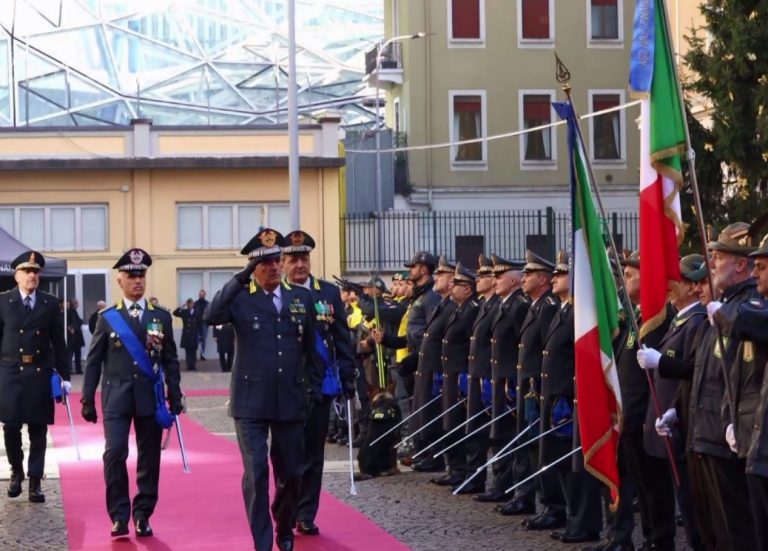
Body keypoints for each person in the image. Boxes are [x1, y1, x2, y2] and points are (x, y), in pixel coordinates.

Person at [204, 228, 323, 551]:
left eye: (276, 261)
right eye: (264, 263)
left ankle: (284, 525)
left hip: (290, 398)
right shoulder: (241, 298)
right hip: (250, 401)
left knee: (291, 475)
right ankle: (263, 543)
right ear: (254, 269)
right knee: (256, 472)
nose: (273, 267)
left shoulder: (302, 298)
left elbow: (313, 349)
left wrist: (316, 389)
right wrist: (239, 278)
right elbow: (210, 315)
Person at [81, 248, 182, 538]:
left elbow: (171, 359)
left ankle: (142, 514)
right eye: (131, 276)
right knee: (114, 454)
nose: (138, 281)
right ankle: (119, 515)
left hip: (149, 397)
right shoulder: (108, 318)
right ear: (120, 280)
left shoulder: (160, 316)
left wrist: (174, 392)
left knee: (149, 459)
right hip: (116, 397)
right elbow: (93, 360)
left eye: (141, 275)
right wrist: (88, 397)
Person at [280, 230, 356, 536]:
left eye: (304, 258)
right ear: (283, 262)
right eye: (294, 259)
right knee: (287, 455)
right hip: (285, 387)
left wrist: (348, 376)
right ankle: (287, 507)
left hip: (318, 386)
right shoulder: (278, 294)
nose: (300, 264)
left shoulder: (327, 293)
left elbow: (342, 338)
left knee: (313, 454)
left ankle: (306, 513)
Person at [687, 223, 758, 549]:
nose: (711, 264)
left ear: (740, 264)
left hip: (728, 439)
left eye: (717, 257)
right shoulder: (723, 308)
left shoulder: (748, 307)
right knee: (713, 530)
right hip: (706, 433)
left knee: (737, 532)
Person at [638, 254, 708, 550]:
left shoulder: (697, 321)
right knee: (663, 494)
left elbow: (695, 368)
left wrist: (661, 362)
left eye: (676, 280)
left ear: (693, 287)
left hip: (683, 420)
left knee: (693, 507)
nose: (669, 285)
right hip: (667, 417)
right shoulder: (679, 320)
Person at [541, 251, 602, 544]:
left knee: (576, 463)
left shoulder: (581, 312)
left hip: (573, 396)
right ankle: (572, 517)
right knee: (562, 462)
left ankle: (585, 523)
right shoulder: (564, 310)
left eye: (561, 274)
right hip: (558, 396)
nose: (554, 278)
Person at [0, 251, 69, 503]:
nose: (32, 276)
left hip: (39, 371)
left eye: (36, 272)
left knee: (38, 429)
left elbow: (58, 343)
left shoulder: (49, 303)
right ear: (16, 275)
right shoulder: (3, 301)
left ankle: (36, 481)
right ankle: (16, 471)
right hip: (10, 371)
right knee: (10, 426)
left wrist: (64, 375)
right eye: (27, 271)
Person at [507, 250, 562, 528]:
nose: (523, 278)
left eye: (528, 274)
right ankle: (535, 498)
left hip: (537, 388)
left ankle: (552, 504)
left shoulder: (548, 306)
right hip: (527, 385)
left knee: (539, 446)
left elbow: (546, 350)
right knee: (529, 445)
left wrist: (538, 386)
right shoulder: (535, 305)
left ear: (543, 278)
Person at [433, 262, 479, 489]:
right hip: (451, 374)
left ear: (468, 289)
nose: (453, 287)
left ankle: (465, 471)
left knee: (461, 424)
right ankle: (456, 469)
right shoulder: (459, 308)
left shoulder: (471, 310)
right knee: (450, 422)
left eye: (458, 284)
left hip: (462, 375)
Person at [173, 298, 200, 371]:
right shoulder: (184, 312)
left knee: (194, 351)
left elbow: (200, 322)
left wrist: (199, 333)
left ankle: (193, 366)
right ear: (187, 305)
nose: (190, 305)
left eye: (191, 304)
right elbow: (175, 313)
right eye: (188, 304)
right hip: (187, 334)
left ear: (193, 304)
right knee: (188, 351)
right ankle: (188, 366)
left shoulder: (197, 312)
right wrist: (182, 306)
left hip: (194, 334)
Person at [67, 298, 85, 374]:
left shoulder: (74, 312)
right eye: (76, 303)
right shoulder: (70, 312)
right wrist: (71, 328)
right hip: (73, 337)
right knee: (70, 354)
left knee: (77, 354)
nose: (78, 305)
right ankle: (70, 369)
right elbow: (71, 323)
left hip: (77, 337)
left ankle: (78, 369)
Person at [194, 289, 209, 360]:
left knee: (203, 340)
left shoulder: (208, 304)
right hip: (197, 324)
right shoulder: (195, 304)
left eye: (202, 294)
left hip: (204, 324)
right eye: (200, 294)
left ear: (205, 295)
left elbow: (209, 314)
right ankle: (194, 354)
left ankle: (202, 355)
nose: (201, 295)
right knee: (196, 340)